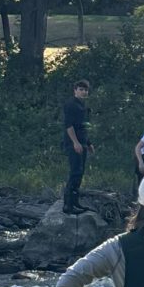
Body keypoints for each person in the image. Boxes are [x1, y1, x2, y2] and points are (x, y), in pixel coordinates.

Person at [62, 79, 93, 215]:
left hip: (83, 142)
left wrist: (89, 143)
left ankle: (75, 202)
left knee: (80, 172)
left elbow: (83, 127)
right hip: (73, 143)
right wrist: (75, 142)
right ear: (75, 90)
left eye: (85, 90)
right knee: (75, 172)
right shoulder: (71, 105)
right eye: (81, 89)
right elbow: (69, 126)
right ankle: (68, 205)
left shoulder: (83, 106)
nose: (83, 92)